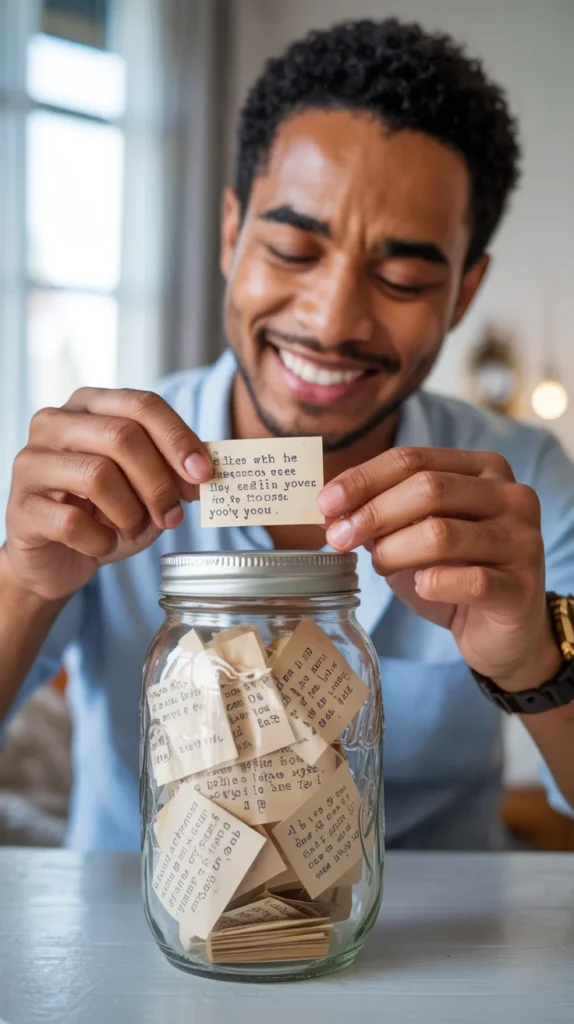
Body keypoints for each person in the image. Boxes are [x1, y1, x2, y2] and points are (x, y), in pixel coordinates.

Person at [1, 18, 573, 852]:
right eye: (293, 249)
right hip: (135, 921)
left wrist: (532, 664)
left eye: (402, 277)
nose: (332, 321)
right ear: (231, 233)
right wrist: (24, 581)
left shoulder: (522, 481)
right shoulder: (95, 469)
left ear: (463, 291)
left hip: (444, 929)